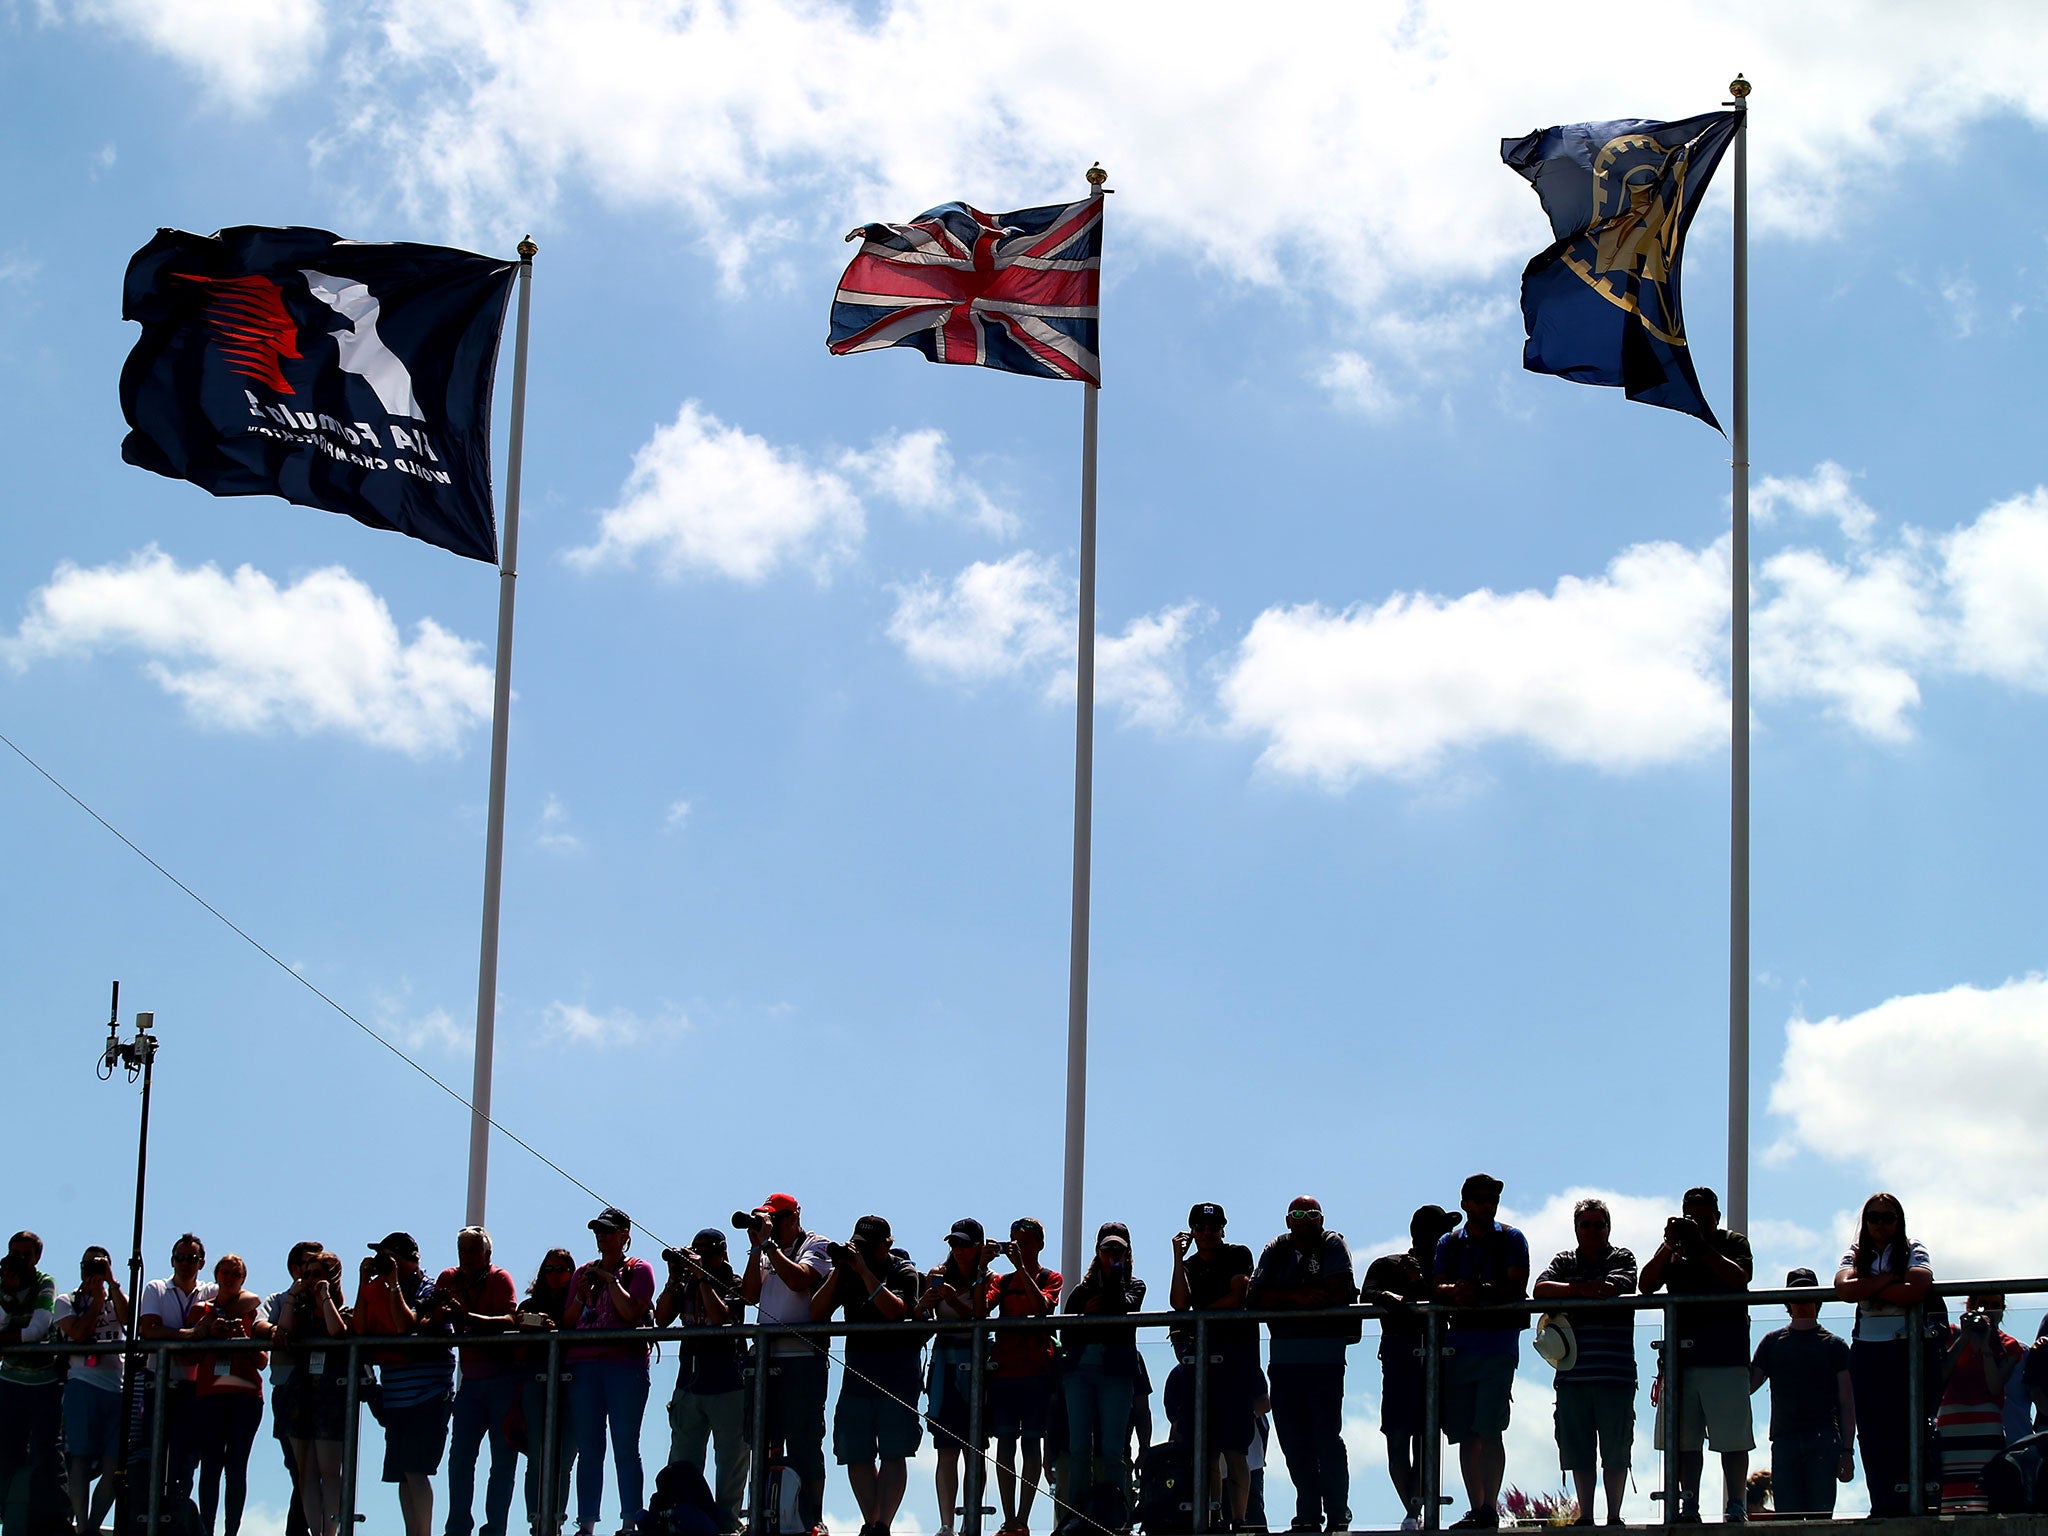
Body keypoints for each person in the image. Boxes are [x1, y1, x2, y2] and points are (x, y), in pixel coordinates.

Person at [1641, 1187, 1754, 1524]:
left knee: (1732, 1438)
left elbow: (1739, 1277)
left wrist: (1702, 1246)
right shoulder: (1675, 1248)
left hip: (1726, 1355)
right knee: (1684, 1441)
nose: (1698, 1223)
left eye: (1705, 1217)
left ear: (1717, 1217)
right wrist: (1669, 1245)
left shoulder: (1733, 1243)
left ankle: (1736, 1503)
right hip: (1682, 1358)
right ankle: (1688, 1503)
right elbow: (1646, 1284)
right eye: (1692, 1216)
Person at [1249, 1195, 1356, 1534]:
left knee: (1327, 1439)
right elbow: (1254, 1296)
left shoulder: (1333, 1244)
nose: (1305, 1219)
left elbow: (1338, 1290)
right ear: (1287, 1220)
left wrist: (1281, 1297)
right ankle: (1308, 1513)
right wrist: (1297, 1297)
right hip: (1284, 1361)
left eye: (1312, 1213)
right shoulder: (1275, 1249)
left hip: (1325, 1359)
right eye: (1298, 1213)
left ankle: (1338, 1512)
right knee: (1294, 1443)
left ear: (1322, 1219)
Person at [810, 1216, 920, 1536]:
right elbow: (816, 1313)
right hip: (857, 1379)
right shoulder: (847, 1273)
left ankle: (883, 1522)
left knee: (893, 1451)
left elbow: (896, 1310)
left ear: (886, 1244)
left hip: (896, 1378)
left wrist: (864, 1272)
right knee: (854, 1452)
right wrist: (840, 1271)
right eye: (859, 1244)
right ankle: (872, 1523)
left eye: (868, 1246)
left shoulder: (903, 1271)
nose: (862, 1251)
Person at [1531, 1199, 1637, 1527]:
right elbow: (1540, 1289)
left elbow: (1619, 1285)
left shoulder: (1622, 1256)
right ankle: (1587, 1515)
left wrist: (1574, 1297)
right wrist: (1583, 1290)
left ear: (1608, 1227)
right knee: (1578, 1450)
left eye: (1598, 1224)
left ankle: (1614, 1515)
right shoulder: (1564, 1260)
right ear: (1576, 1228)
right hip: (1572, 1374)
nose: (1592, 1230)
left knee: (1616, 1450)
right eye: (1585, 1225)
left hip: (1614, 1373)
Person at [1433, 1175, 1529, 1530]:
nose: (1488, 1205)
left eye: (1493, 1199)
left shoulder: (1512, 1238)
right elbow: (1436, 1284)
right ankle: (1478, 1507)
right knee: (1465, 1432)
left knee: (1490, 1429)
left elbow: (1517, 1283)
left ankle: (1489, 1506)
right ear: (1465, 1203)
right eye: (1481, 1199)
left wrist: (1481, 1290)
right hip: (1459, 1345)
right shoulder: (1450, 1241)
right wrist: (1454, 1292)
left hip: (1498, 1344)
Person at [1831, 1192, 1932, 1517]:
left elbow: (1916, 1289)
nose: (1881, 1224)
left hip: (1904, 1348)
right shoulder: (1856, 1251)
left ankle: (1913, 1499)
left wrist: (1870, 1286)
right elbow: (1844, 1288)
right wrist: (1890, 1280)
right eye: (1874, 1217)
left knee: (1906, 1425)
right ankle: (1883, 1502)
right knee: (1872, 1431)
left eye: (1888, 1217)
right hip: (1866, 1351)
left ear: (1899, 1221)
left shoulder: (1913, 1247)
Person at [738, 1193, 832, 1536]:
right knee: (762, 1438)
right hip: (766, 1358)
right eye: (768, 1220)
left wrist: (770, 1247)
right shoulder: (766, 1250)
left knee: (805, 1441)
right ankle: (764, 1513)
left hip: (803, 1360)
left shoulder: (816, 1244)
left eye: (776, 1219)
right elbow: (749, 1295)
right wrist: (756, 1248)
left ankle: (813, 1517)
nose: (771, 1225)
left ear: (794, 1216)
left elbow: (799, 1280)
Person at [1361, 1206, 1458, 1530]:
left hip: (1438, 1358)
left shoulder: (1449, 1267)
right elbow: (1367, 1293)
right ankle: (1412, 1511)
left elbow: (1454, 1301)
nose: (1445, 1237)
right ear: (1422, 1233)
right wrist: (1391, 1296)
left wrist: (1420, 1283)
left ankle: (1418, 1512)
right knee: (1399, 1438)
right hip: (1400, 1359)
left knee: (1428, 1437)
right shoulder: (1388, 1265)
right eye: (1439, 1230)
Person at [352, 1231, 454, 1536]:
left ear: (409, 1259)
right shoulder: (378, 1288)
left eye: (390, 1256)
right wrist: (364, 1284)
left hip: (428, 1394)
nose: (385, 1262)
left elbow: (404, 1324)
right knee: (401, 1472)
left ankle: (423, 1532)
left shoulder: (428, 1287)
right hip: (396, 1395)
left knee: (417, 1469)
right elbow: (359, 1327)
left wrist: (394, 1282)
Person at [566, 1208, 657, 1536]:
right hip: (585, 1367)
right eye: (598, 1231)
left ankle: (630, 1521)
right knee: (589, 1448)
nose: (602, 1237)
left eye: (608, 1230)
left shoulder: (639, 1269)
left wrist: (610, 1281)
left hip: (625, 1367)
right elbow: (568, 1321)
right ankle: (586, 1524)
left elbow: (632, 1312)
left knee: (625, 1446)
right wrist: (582, 1291)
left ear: (624, 1234)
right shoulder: (582, 1273)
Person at [1171, 1202, 1258, 1531]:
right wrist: (1178, 1259)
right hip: (1201, 1364)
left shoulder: (1238, 1254)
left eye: (1213, 1227)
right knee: (1204, 1447)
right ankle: (1211, 1518)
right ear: (1192, 1230)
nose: (1207, 1233)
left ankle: (1238, 1519)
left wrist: (1199, 1315)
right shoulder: (1190, 1264)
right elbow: (1179, 1303)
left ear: (1222, 1228)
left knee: (1235, 1448)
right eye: (1201, 1227)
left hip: (1236, 1361)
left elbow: (1238, 1296)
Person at [656, 1230, 747, 1534]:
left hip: (727, 1383)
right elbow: (662, 1318)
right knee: (683, 1462)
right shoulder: (687, 1282)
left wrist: (703, 1277)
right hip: (689, 1385)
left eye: (707, 1253)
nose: (702, 1258)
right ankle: (687, 1519)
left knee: (731, 1463)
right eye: (698, 1253)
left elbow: (722, 1318)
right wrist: (674, 1277)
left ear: (722, 1253)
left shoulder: (731, 1281)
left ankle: (728, 1525)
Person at [1747, 1268, 1854, 1517]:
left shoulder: (1835, 1345)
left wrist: (1847, 1451)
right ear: (1787, 1301)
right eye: (1797, 1294)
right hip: (1786, 1441)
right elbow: (1748, 1387)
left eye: (1807, 1293)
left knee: (1819, 1520)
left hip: (1823, 1439)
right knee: (1789, 1522)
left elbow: (1848, 1403)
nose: (1803, 1300)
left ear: (1818, 1299)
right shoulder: (1772, 1342)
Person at [1061, 1223, 1146, 1530]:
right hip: (1081, 1370)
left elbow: (1124, 1309)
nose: (1112, 1255)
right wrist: (1085, 1315)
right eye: (1107, 1250)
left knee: (1114, 1447)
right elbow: (1065, 1334)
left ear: (1127, 1253)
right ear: (1097, 1253)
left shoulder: (1135, 1285)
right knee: (1079, 1447)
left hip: (1116, 1371)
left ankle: (1115, 1515)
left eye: (1118, 1250)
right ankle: (1075, 1515)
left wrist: (1113, 1281)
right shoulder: (1081, 1292)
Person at [437, 1227, 521, 1536]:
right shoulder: (450, 1278)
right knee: (460, 1458)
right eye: (462, 1251)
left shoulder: (500, 1279)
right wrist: (437, 1311)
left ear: (487, 1254)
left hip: (502, 1381)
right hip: (470, 1383)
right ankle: (458, 1527)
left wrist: (467, 1316)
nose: (467, 1257)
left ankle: (495, 1528)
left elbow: (510, 1321)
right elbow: (436, 1319)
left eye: (473, 1251)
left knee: (502, 1461)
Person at [985, 1219, 1061, 1536]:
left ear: (1040, 1245)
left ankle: (1022, 1519)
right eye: (1014, 1242)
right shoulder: (1001, 1282)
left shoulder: (1050, 1277)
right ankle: (1008, 1517)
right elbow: (980, 1310)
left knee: (1032, 1444)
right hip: (1005, 1371)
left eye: (1026, 1242)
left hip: (1036, 1373)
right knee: (1004, 1443)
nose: (1020, 1248)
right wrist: (981, 1267)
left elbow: (1042, 1307)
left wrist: (1023, 1270)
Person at [918, 1220, 993, 1536]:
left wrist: (952, 1299)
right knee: (945, 1450)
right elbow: (920, 1318)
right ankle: (946, 1523)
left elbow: (979, 1314)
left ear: (978, 1246)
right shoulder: (936, 1274)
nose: (958, 1251)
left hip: (976, 1364)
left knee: (974, 1448)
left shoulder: (988, 1277)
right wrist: (926, 1303)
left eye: (964, 1244)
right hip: (945, 1364)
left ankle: (970, 1521)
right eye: (954, 1244)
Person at [186, 1256, 269, 1536]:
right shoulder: (201, 1311)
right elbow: (189, 1357)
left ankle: (231, 1531)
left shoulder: (252, 1310)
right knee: (210, 1465)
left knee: (236, 1466)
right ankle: (207, 1529)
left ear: (243, 1278)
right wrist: (208, 1333)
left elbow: (262, 1361)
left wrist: (243, 1337)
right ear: (216, 1275)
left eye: (236, 1273)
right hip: (210, 1394)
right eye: (225, 1272)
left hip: (245, 1395)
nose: (230, 1277)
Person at [53, 1245, 129, 1534]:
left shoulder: (117, 1296)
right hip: (82, 1384)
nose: (94, 1270)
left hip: (117, 1388)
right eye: (89, 1265)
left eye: (100, 1265)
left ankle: (93, 1525)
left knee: (114, 1464)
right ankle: (82, 1525)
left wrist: (111, 1284)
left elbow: (130, 1321)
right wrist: (95, 1301)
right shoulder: (67, 1300)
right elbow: (79, 1332)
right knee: (80, 1458)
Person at [138, 1232, 218, 1505]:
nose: (185, 1263)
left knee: (187, 1456)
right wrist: (189, 1334)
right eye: (180, 1258)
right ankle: (149, 1510)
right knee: (153, 1451)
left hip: (194, 1387)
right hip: (157, 1381)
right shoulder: (156, 1288)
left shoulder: (211, 1291)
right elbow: (148, 1329)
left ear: (202, 1263)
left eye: (191, 1259)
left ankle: (176, 1508)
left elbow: (247, 1299)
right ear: (172, 1260)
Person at [274, 1251, 350, 1536]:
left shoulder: (342, 1310)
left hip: (330, 1395)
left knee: (330, 1472)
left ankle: (329, 1533)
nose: (311, 1280)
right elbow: (283, 1331)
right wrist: (294, 1294)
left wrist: (325, 1297)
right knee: (306, 1474)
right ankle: (315, 1531)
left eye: (317, 1273)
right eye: (307, 1274)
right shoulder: (300, 1309)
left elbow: (336, 1332)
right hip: (300, 1394)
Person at [0, 1231, 66, 1536]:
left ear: (36, 1257)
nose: (20, 1260)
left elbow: (37, 1329)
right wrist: (8, 1295)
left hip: (43, 1383)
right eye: (15, 1253)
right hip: (10, 1381)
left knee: (47, 1453)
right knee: (6, 1452)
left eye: (26, 1255)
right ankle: (6, 1516)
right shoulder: (3, 1283)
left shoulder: (45, 1282)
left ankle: (53, 1519)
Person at [1935, 1292, 2024, 1512]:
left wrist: (1985, 1345)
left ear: (2003, 1310)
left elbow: (1994, 1386)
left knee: (1984, 1491)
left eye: (1995, 1305)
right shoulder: (1952, 1334)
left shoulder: (2009, 1346)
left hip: (1986, 1422)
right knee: (1952, 1492)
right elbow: (1941, 1375)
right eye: (1982, 1304)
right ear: (1970, 1306)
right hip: (1952, 1420)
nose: (1989, 1311)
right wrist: (1964, 1338)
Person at [261, 1241, 324, 1536]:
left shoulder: (328, 1298)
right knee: (299, 1469)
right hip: (288, 1390)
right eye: (310, 1264)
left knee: (319, 1470)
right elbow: (260, 1325)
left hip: (323, 1391)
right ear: (295, 1268)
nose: (315, 1270)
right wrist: (278, 1331)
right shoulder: (278, 1299)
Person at [518, 1248, 578, 1536]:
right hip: (535, 1383)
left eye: (562, 1269)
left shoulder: (580, 1303)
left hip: (572, 1383)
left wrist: (559, 1327)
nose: (555, 1275)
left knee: (564, 1460)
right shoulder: (529, 1305)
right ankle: (536, 1521)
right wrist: (529, 1326)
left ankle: (555, 1521)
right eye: (550, 1269)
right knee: (538, 1457)